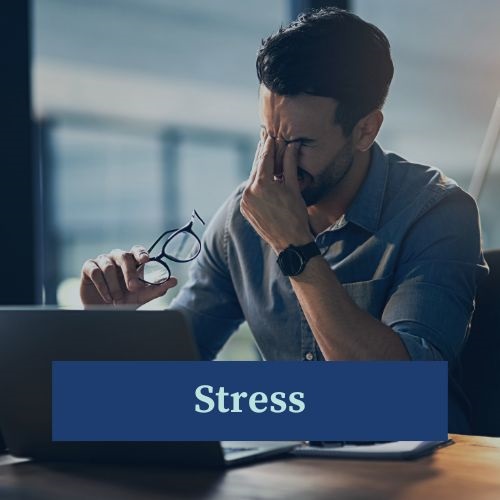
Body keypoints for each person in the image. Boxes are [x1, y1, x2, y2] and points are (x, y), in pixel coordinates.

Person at [80, 8, 488, 433]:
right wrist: (114, 325)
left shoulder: (437, 213)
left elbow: (401, 394)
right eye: (267, 136)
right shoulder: (241, 219)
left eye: (300, 143)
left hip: (416, 478)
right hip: (287, 471)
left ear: (365, 130)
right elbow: (172, 377)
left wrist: (295, 248)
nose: (275, 164)